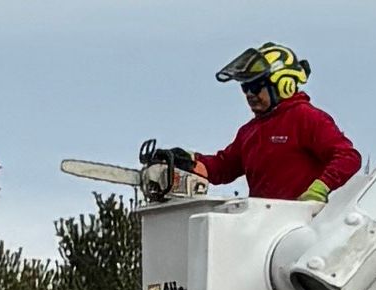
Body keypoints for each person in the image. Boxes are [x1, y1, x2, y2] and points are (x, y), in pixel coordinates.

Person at [147, 44, 363, 209]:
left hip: (300, 225)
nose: (250, 94)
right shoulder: (250, 132)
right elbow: (222, 168)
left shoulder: (307, 118)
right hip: (261, 225)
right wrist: (189, 160)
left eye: (256, 86)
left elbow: (348, 157)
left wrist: (319, 188)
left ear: (284, 84)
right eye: (245, 87)